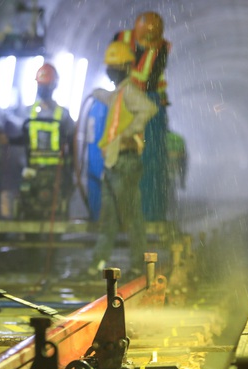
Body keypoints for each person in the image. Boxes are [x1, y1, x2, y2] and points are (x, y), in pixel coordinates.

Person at [87, 41, 158, 278]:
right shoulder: (120, 93)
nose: (111, 70)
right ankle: (98, 262)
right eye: (111, 66)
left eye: (116, 66)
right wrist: (99, 94)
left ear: (126, 67)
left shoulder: (128, 91)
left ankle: (138, 264)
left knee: (131, 215)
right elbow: (114, 101)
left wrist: (129, 134)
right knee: (109, 217)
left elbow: (148, 108)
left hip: (125, 162)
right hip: (114, 163)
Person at [113, 11, 171, 222]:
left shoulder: (162, 48)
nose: (147, 44)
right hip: (125, 98)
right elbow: (111, 67)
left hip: (149, 101)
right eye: (145, 38)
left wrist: (127, 83)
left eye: (151, 40)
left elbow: (151, 80)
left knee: (150, 161)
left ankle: (149, 212)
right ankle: (118, 212)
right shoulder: (121, 39)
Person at [19, 62, 76, 220]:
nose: (43, 89)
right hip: (33, 169)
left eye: (46, 85)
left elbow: (72, 142)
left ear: (54, 86)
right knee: (28, 205)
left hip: (56, 170)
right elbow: (22, 137)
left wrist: (70, 170)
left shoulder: (63, 114)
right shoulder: (28, 112)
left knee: (56, 208)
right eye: (41, 85)